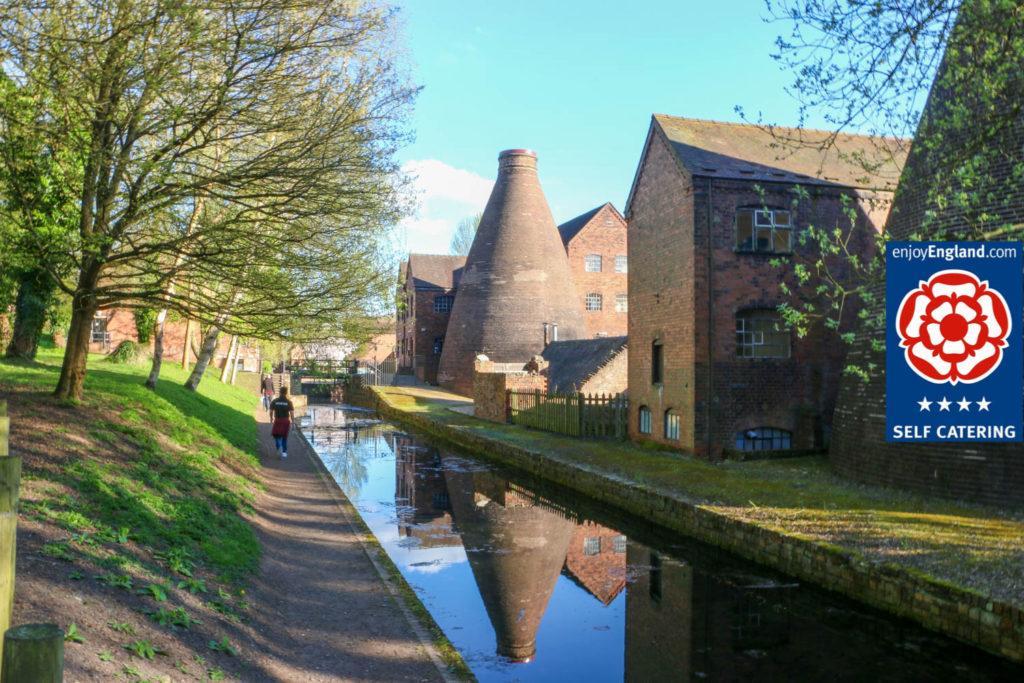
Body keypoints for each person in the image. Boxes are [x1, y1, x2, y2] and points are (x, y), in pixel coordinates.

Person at [269, 387, 295, 459]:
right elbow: (292, 413)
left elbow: (271, 411)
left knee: (276, 435)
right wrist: (293, 422)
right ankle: (284, 452)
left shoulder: (274, 401)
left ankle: (278, 446)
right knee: (284, 437)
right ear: (286, 393)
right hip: (286, 421)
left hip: (277, 420)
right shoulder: (289, 402)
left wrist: (271, 418)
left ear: (280, 392)